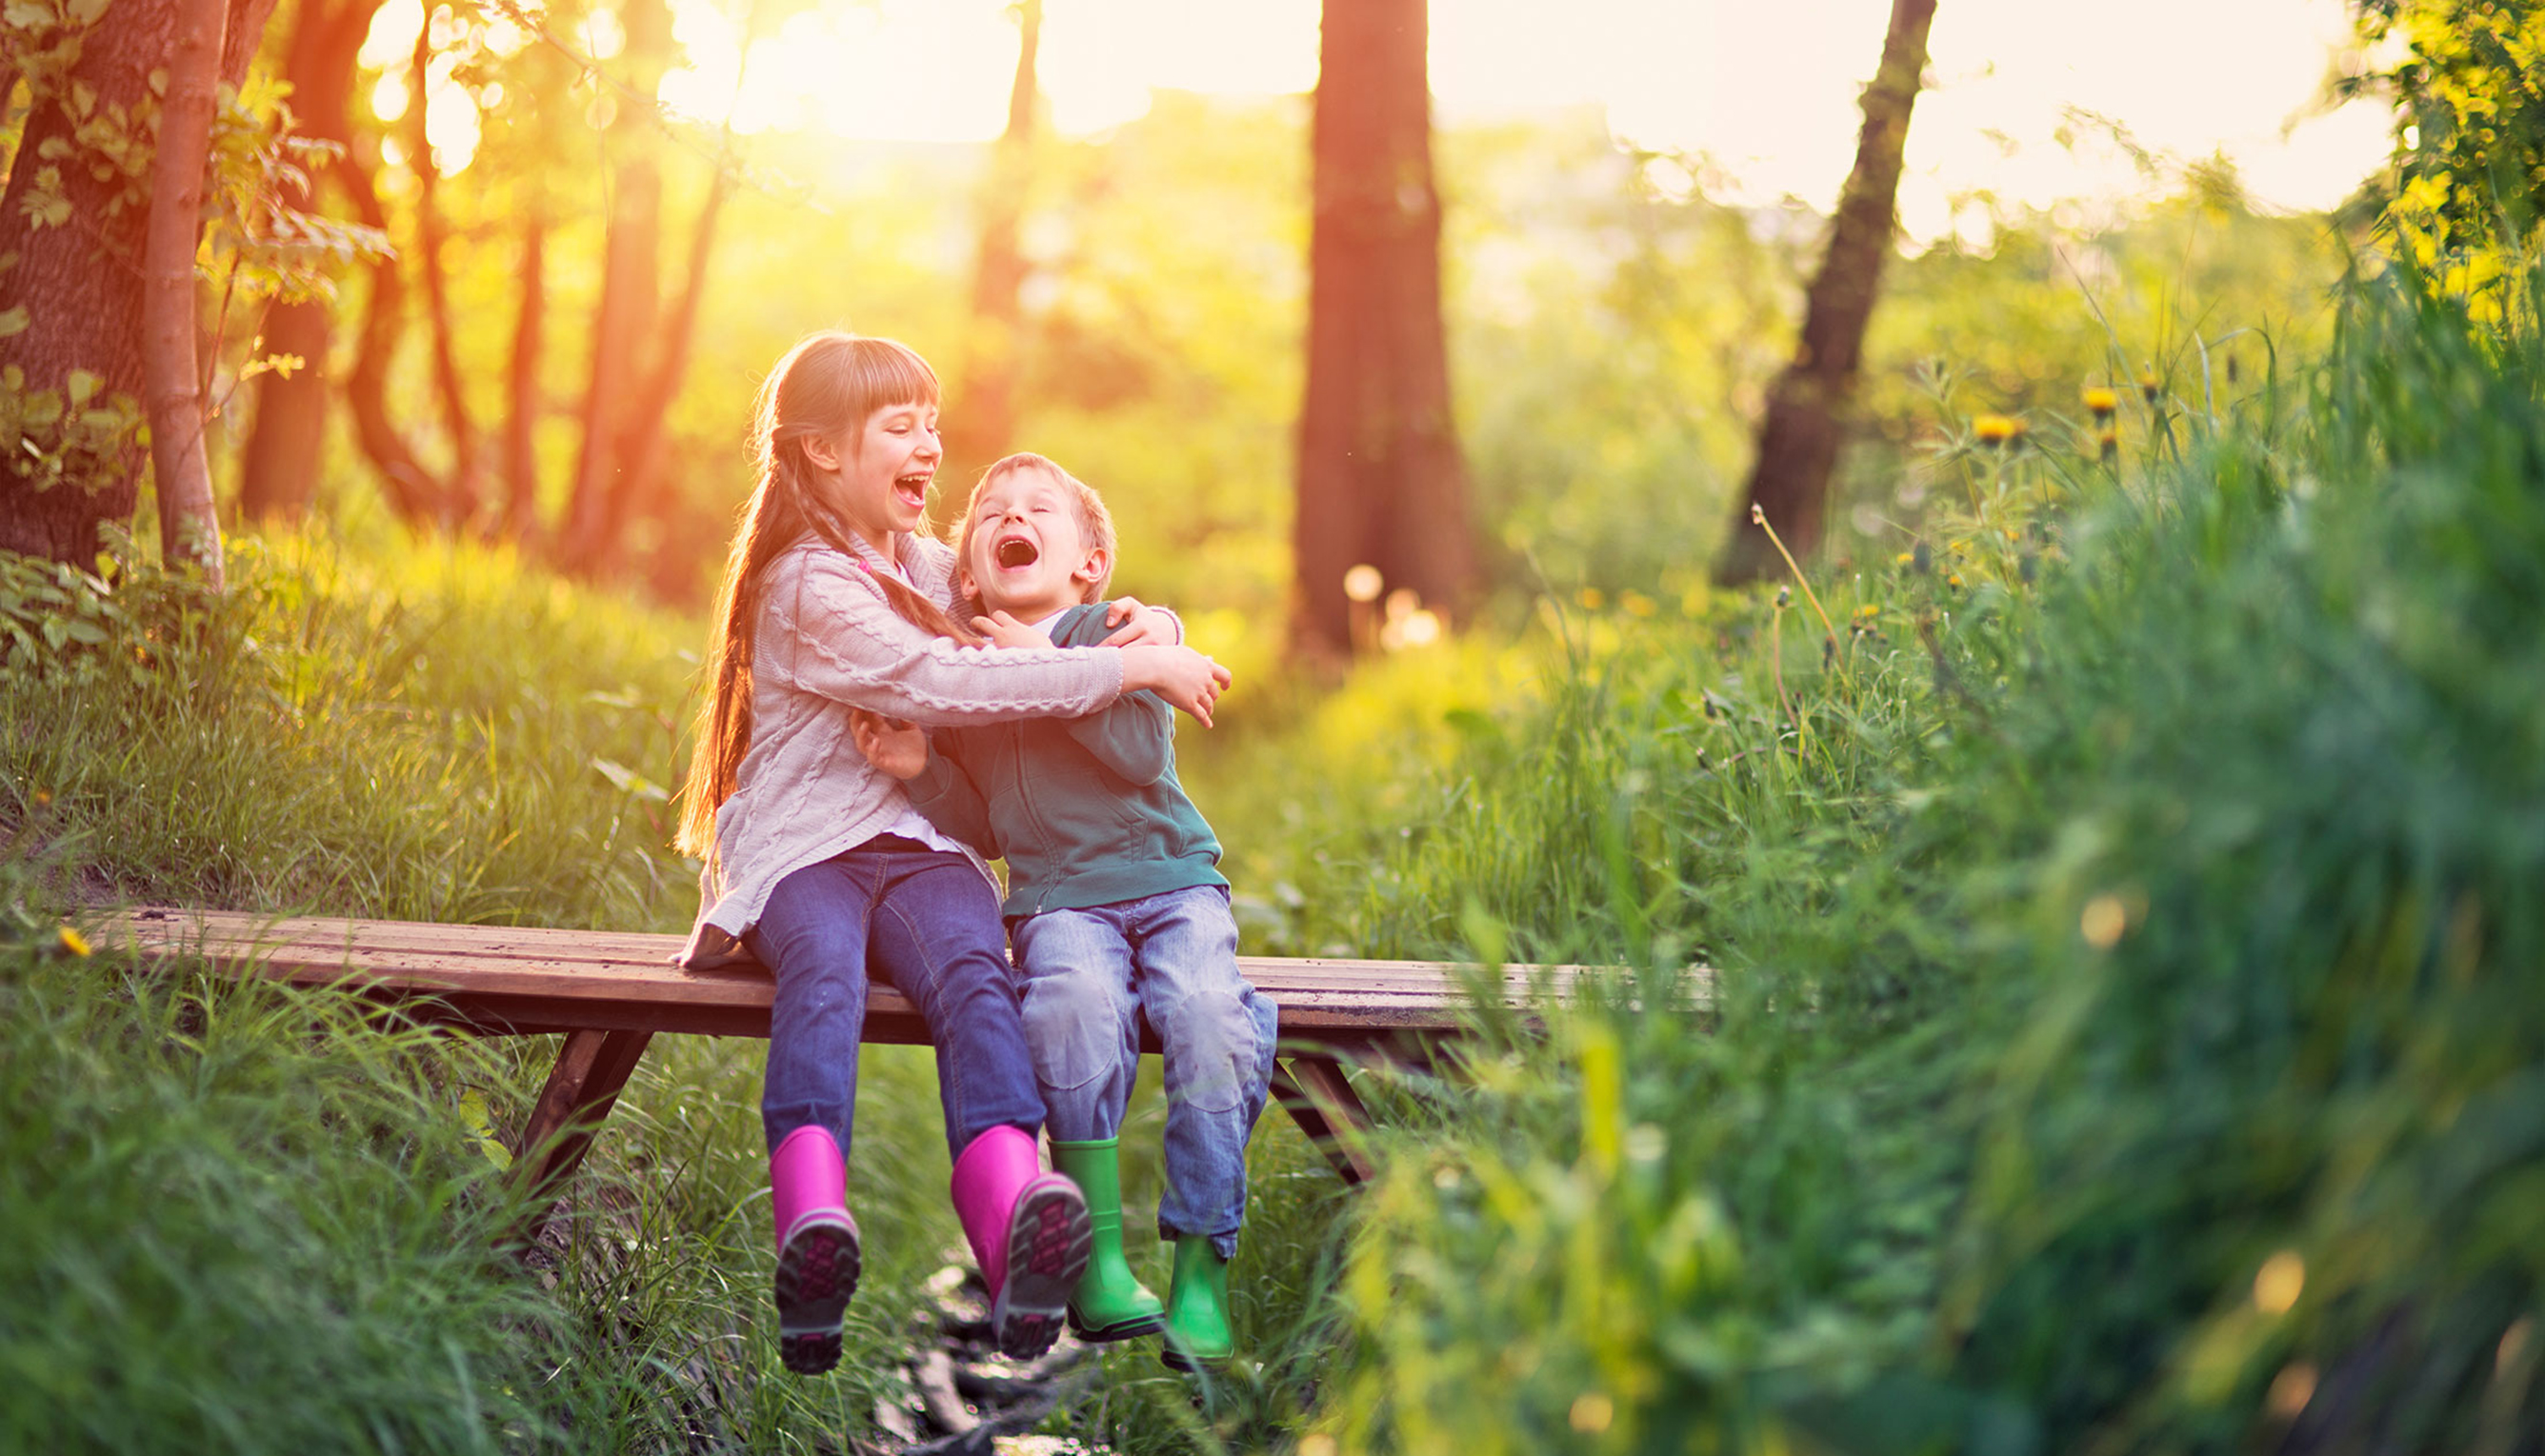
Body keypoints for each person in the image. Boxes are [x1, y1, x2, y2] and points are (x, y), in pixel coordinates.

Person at [672, 334, 1232, 1375]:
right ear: (823, 453)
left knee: (978, 977)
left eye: (932, 423)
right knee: (825, 978)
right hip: (805, 853)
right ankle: (812, 1223)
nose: (930, 446)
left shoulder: (912, 558)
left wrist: (1139, 619)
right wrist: (1138, 666)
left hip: (920, 844)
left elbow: (1022, 598)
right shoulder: (805, 583)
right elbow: (945, 678)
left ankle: (1014, 1226)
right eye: (901, 427)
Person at [852, 452, 1276, 1371]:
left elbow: (1132, 753)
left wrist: (1050, 660)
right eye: (994, 509)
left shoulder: (1118, 635)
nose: (1014, 514)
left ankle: (1202, 1267)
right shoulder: (964, 675)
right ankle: (1102, 1263)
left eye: (1040, 507)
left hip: (1172, 882)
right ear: (968, 567)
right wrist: (921, 771)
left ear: (1087, 562)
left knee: (1211, 1017)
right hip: (1058, 903)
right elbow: (989, 826)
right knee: (1070, 1009)